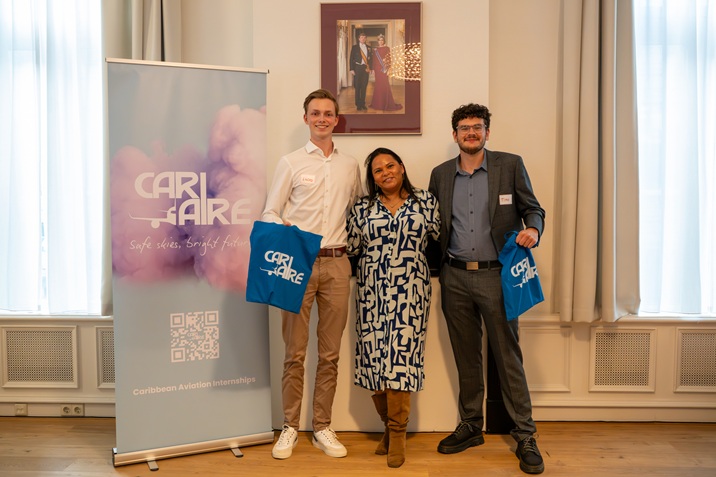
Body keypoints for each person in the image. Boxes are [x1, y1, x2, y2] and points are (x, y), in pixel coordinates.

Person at [428, 103, 546, 475]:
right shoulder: (440, 174)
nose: (471, 133)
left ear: (487, 132)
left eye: (477, 127)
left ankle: (525, 434)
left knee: (508, 357)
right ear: (455, 135)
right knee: (466, 356)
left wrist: (534, 229)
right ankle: (470, 425)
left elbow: (533, 208)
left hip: (497, 276)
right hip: (455, 278)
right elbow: (433, 224)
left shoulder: (509, 165)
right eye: (464, 128)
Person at [261, 89, 362, 460]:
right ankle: (290, 425)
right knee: (294, 352)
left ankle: (322, 427)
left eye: (328, 113)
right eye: (315, 113)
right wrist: (282, 226)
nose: (322, 119)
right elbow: (269, 212)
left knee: (330, 353)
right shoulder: (290, 162)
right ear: (306, 118)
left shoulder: (350, 165)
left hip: (337, 262)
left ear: (337, 119)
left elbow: (357, 212)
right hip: (297, 262)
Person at [347, 147, 440, 468]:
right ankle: (389, 426)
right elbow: (353, 247)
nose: (385, 172)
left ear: (401, 167)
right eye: (378, 170)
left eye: (390, 165)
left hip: (411, 290)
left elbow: (439, 238)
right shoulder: (362, 208)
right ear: (372, 178)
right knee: (374, 359)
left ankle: (398, 435)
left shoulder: (425, 201)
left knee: (401, 358)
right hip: (371, 291)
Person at [369, 34, 403, 112]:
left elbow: (389, 58)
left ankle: (386, 103)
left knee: (385, 84)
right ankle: (378, 103)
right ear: (377, 41)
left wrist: (388, 68)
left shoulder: (387, 48)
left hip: (383, 69)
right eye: (379, 40)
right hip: (377, 69)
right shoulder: (375, 50)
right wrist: (373, 69)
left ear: (384, 41)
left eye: (382, 40)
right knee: (378, 85)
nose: (380, 41)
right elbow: (374, 60)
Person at [349, 30, 372, 111]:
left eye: (364, 37)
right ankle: (358, 104)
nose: (363, 39)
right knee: (358, 86)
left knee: (364, 86)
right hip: (357, 68)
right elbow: (351, 58)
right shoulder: (354, 47)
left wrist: (371, 68)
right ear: (359, 39)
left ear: (366, 39)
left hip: (365, 68)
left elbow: (371, 59)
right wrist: (351, 69)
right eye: (361, 37)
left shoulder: (369, 47)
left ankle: (363, 103)